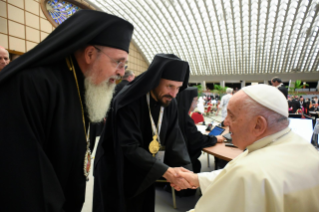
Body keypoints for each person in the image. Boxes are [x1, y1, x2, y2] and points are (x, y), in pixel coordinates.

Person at [0, 10, 134, 212]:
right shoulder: (31, 84)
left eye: (124, 65)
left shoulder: (85, 85)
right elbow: (26, 175)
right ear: (90, 54)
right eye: (118, 62)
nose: (122, 73)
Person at [173, 84, 319, 212]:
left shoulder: (251, 172)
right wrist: (197, 178)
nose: (225, 122)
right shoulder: (302, 147)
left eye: (232, 116)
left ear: (258, 125)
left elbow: (243, 179)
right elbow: (232, 177)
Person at [94, 54, 193, 212]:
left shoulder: (169, 101)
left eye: (178, 88)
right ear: (155, 79)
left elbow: (175, 138)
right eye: (170, 86)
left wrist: (186, 173)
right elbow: (129, 146)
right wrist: (166, 171)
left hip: (145, 169)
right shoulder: (127, 100)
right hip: (118, 168)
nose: (174, 94)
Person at [176, 87, 224, 174]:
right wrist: (215, 139)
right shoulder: (185, 120)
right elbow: (197, 140)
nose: (197, 104)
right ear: (188, 101)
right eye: (195, 101)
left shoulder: (176, 115)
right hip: (186, 164)